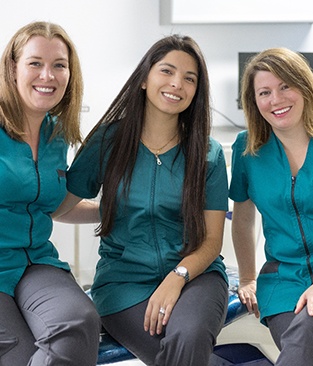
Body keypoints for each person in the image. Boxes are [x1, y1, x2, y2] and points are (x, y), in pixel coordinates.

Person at [53, 34, 229, 366]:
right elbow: (59, 206)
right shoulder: (108, 141)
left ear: (196, 91)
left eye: (189, 78)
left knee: (188, 337)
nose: (177, 83)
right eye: (167, 71)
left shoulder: (209, 154)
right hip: (123, 283)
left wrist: (177, 277)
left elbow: (211, 240)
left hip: (196, 277)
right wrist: (105, 210)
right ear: (145, 78)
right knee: (174, 356)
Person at [0, 21, 101, 366]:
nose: (48, 75)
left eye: (59, 65)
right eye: (35, 63)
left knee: (80, 324)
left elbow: (57, 206)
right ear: (13, 68)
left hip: (36, 262)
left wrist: (113, 209)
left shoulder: (57, 133)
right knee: (18, 352)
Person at [229, 47, 313, 365]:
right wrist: (248, 277)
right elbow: (243, 217)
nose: (275, 100)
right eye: (264, 92)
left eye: (285, 86)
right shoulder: (247, 149)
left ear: (304, 85)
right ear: (254, 101)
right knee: (302, 333)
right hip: (284, 280)